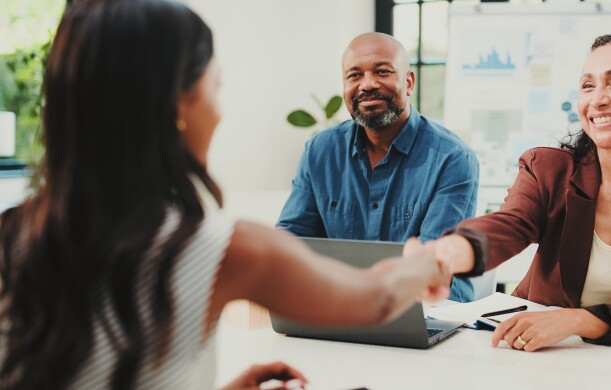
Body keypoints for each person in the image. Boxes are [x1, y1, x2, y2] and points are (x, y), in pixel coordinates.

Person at [0, 1, 452, 389]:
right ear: (174, 104)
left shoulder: (13, 232)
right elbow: (374, 298)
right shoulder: (220, 247)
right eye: (216, 87)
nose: (219, 110)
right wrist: (427, 264)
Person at [406, 30, 611, 351]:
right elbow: (510, 225)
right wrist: (454, 250)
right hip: (530, 352)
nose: (598, 99)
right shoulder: (547, 169)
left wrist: (576, 320)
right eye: (587, 86)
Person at [277, 32, 480, 302]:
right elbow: (292, 241)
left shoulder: (452, 158)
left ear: (408, 82)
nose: (367, 84)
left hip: (430, 312)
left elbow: (432, 265)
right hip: (339, 310)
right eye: (354, 75)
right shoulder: (319, 151)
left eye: (382, 71)